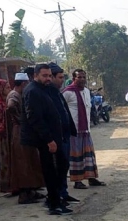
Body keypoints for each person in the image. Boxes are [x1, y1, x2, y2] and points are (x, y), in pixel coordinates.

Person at [21, 63, 73, 215]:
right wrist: (49, 140)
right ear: (35, 76)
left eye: (50, 75)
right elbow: (35, 119)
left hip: (56, 137)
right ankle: (53, 204)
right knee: (51, 171)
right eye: (44, 76)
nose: (48, 78)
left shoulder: (49, 89)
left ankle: (56, 199)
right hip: (44, 140)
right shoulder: (32, 91)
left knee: (62, 166)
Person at [62, 69, 105, 189]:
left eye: (83, 77)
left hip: (86, 129)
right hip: (74, 130)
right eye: (79, 77)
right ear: (74, 78)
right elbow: (61, 109)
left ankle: (91, 178)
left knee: (89, 155)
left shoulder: (86, 91)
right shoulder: (67, 92)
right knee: (76, 156)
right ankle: (77, 181)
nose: (82, 79)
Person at [7, 73, 45, 204]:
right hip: (19, 132)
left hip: (24, 130)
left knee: (30, 161)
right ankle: (24, 194)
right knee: (23, 162)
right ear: (23, 84)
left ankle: (31, 191)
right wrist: (18, 119)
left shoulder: (20, 94)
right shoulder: (14, 95)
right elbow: (11, 106)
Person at [47, 63, 80, 205]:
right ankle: (56, 197)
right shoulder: (46, 94)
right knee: (57, 168)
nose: (62, 80)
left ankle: (64, 193)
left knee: (64, 165)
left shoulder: (57, 93)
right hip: (55, 138)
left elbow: (64, 112)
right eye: (59, 77)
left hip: (65, 135)